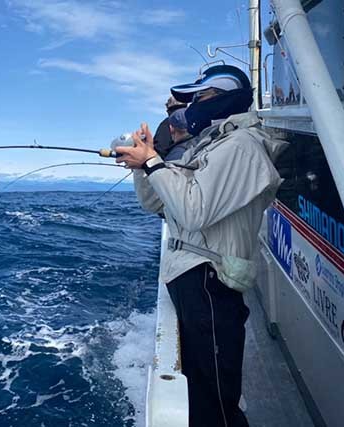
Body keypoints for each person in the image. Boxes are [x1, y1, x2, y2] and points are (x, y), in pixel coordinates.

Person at [116, 65, 287, 427]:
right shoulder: (212, 144)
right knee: (200, 390)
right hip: (191, 276)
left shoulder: (242, 146)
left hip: (210, 280)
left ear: (229, 98)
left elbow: (194, 211)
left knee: (214, 403)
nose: (193, 103)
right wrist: (142, 166)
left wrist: (151, 161)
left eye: (202, 96)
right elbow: (159, 204)